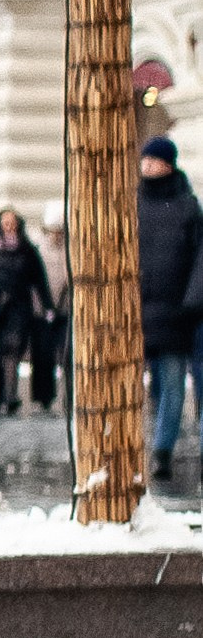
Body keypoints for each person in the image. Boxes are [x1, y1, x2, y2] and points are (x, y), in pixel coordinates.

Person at [139, 136, 203, 479]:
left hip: (179, 313)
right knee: (154, 385)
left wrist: (191, 301)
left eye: (153, 159)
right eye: (144, 159)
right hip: (139, 311)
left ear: (168, 163)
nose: (146, 164)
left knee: (174, 381)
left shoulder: (187, 206)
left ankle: (162, 450)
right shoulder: (133, 203)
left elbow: (199, 257)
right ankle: (142, 447)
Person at [0, 205, 51, 417]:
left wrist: (47, 305)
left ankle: (10, 396)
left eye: (12, 223)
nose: (9, 227)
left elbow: (39, 280)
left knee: (12, 351)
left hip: (18, 309)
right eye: (5, 223)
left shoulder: (26, 250)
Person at [32, 206, 71, 413]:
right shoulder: (38, 248)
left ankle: (69, 396)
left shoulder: (70, 249)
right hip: (41, 311)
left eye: (60, 231)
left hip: (65, 310)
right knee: (43, 356)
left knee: (67, 355)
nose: (56, 235)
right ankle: (43, 396)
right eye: (53, 230)